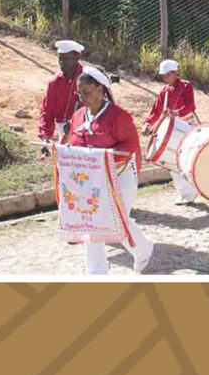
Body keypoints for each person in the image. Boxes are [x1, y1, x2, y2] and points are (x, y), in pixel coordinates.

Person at [66, 66, 154, 275]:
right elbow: (74, 144)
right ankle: (96, 272)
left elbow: (130, 147)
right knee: (90, 220)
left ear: (100, 90)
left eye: (86, 92)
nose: (82, 98)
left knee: (115, 220)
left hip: (120, 176)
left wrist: (102, 157)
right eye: (79, 93)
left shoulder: (118, 116)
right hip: (91, 179)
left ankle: (143, 249)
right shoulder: (78, 116)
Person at [141, 59, 198, 205]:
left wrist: (176, 113)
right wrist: (147, 124)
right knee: (171, 162)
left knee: (187, 160)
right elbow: (155, 112)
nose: (165, 78)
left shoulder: (186, 86)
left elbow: (190, 106)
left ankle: (194, 189)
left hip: (187, 127)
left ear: (176, 73)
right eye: (163, 76)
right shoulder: (164, 92)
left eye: (168, 75)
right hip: (171, 131)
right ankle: (185, 193)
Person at [38, 40, 85, 157]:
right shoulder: (55, 82)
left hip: (86, 132)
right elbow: (47, 111)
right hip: (64, 131)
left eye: (65, 59)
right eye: (60, 59)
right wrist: (45, 137)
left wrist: (77, 122)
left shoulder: (88, 80)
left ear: (77, 58)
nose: (61, 62)